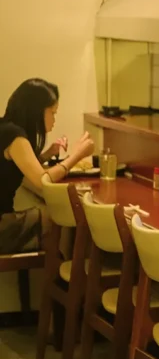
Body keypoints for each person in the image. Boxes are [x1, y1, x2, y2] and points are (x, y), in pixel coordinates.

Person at [0, 79, 94, 253]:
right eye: (52, 112)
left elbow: (14, 167)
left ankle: (61, 272)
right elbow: (42, 181)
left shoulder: (5, 127)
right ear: (36, 111)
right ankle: (60, 275)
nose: (54, 119)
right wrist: (76, 155)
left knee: (47, 214)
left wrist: (47, 154)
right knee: (53, 218)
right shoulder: (15, 136)